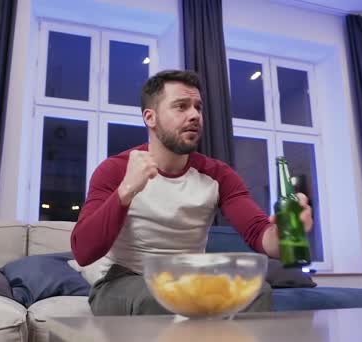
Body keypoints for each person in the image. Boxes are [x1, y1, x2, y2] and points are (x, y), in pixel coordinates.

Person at [70, 70, 313, 315]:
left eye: (198, 107)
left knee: (257, 292)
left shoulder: (218, 175)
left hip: (186, 279)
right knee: (157, 300)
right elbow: (83, 252)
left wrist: (283, 233)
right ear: (150, 117)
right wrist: (126, 190)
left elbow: (260, 235)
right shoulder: (114, 170)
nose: (195, 115)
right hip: (123, 279)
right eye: (181, 106)